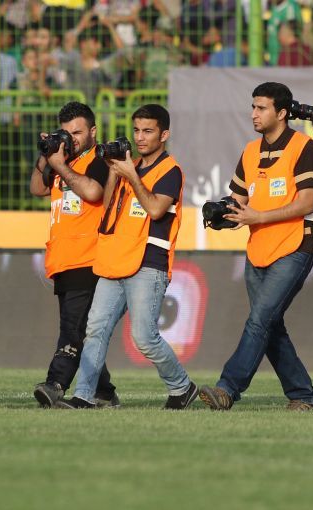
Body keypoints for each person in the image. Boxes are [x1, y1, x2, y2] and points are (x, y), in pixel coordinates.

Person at [60, 104, 198, 410]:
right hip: (114, 260)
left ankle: (182, 387)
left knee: (145, 338)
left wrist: (132, 175)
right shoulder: (127, 166)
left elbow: (155, 209)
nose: (140, 137)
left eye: (148, 131)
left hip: (148, 262)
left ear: (164, 135)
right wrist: (113, 171)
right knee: (95, 330)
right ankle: (83, 396)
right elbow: (109, 206)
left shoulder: (170, 171)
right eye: (136, 130)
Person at [199, 82, 313, 412]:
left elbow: (306, 202)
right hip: (259, 247)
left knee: (259, 321)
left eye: (261, 108)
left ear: (282, 113)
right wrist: (221, 214)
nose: (254, 114)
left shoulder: (304, 147)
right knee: (269, 324)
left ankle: (227, 388)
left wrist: (257, 215)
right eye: (253, 107)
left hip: (296, 244)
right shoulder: (251, 151)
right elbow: (238, 202)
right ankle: (303, 394)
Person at [29, 102, 118, 408]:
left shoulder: (99, 159)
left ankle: (55, 383)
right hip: (63, 259)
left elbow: (93, 192)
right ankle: (104, 391)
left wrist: (61, 165)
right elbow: (37, 188)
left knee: (72, 328)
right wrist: (47, 155)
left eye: (77, 133)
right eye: (65, 133)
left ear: (93, 131)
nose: (71, 139)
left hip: (88, 258)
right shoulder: (62, 161)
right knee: (81, 331)